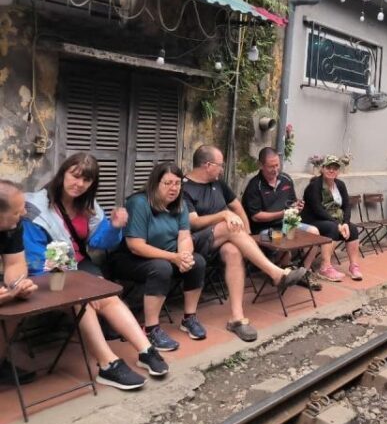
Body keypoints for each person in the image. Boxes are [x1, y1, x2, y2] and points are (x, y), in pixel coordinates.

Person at [22, 154, 168, 389]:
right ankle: (107, 364)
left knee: (106, 295)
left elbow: (99, 243)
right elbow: (33, 256)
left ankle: (145, 349)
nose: (78, 184)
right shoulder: (36, 208)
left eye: (86, 180)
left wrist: (114, 227)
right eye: (75, 176)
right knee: (84, 301)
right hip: (47, 272)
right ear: (63, 174)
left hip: (78, 265)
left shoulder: (88, 206)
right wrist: (63, 273)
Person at [182, 146, 307, 342]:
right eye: (220, 165)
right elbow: (193, 222)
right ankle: (276, 273)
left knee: (234, 251)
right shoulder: (185, 187)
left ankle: (237, 319)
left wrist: (247, 234)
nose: (222, 169)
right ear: (207, 165)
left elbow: (236, 206)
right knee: (229, 227)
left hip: (222, 240)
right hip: (192, 243)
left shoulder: (218, 184)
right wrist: (224, 215)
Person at [112, 162, 207, 352]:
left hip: (167, 255)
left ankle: (189, 318)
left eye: (178, 183)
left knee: (197, 262)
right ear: (155, 183)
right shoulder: (139, 202)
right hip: (130, 259)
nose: (174, 188)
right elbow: (136, 246)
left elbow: (185, 236)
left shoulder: (179, 205)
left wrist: (185, 255)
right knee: (161, 267)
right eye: (168, 183)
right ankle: (151, 329)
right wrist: (174, 257)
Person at [241, 147, 321, 291]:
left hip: (287, 223)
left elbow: (291, 203)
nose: (275, 169)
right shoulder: (254, 185)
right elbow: (256, 217)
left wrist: (297, 206)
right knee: (283, 240)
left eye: (277, 165)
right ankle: (282, 271)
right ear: (261, 165)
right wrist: (282, 213)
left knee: (314, 232)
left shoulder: (286, 179)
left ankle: (304, 271)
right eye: (271, 166)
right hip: (263, 230)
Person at [301, 156, 363, 281]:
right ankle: (325, 268)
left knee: (353, 229)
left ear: (338, 171)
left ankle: (353, 266)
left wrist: (345, 223)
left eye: (335, 168)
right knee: (332, 228)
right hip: (313, 221)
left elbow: (346, 206)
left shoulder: (340, 185)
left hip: (334, 220)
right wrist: (337, 224)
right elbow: (318, 210)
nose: (331, 171)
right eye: (328, 167)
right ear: (322, 169)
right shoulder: (314, 186)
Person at [0, 180, 38, 386]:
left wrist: (16, 286)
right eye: (17, 211)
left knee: (15, 305)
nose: (23, 213)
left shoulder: (13, 226)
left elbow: (15, 261)